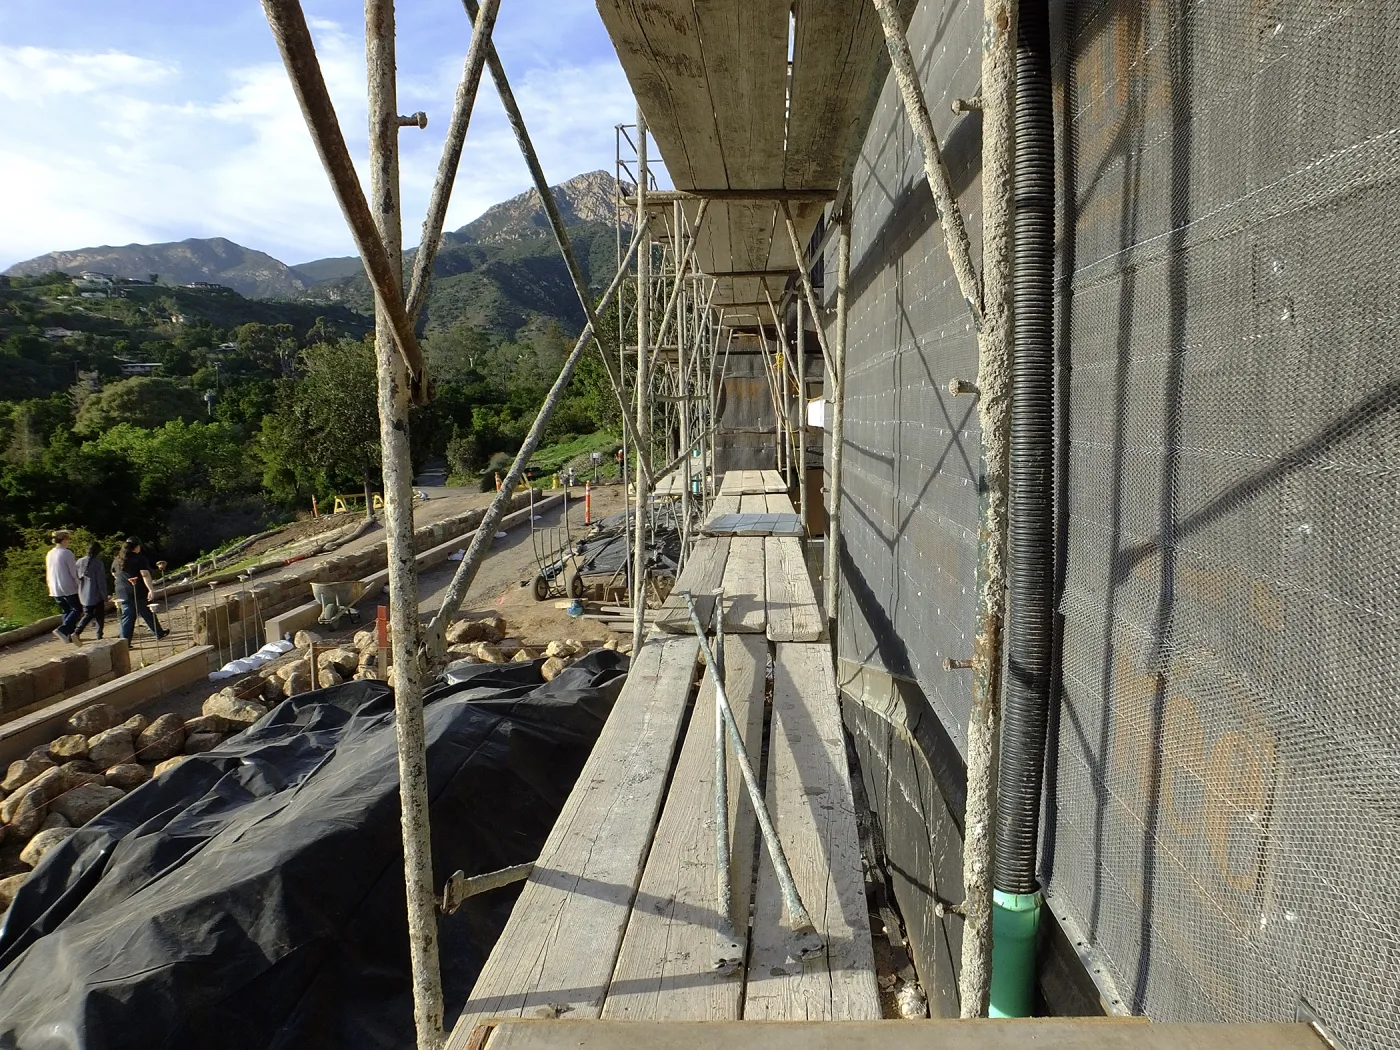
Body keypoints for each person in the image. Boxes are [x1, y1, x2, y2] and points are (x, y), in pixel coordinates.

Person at [113, 536, 169, 641]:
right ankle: (159, 633)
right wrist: (150, 589)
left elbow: (113, 573)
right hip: (137, 590)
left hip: (121, 591)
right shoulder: (139, 558)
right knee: (146, 611)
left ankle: (124, 642)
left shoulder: (117, 559)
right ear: (136, 547)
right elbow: (145, 574)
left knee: (127, 616)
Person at [45, 529, 81, 643]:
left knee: (66, 610)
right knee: (77, 609)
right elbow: (73, 571)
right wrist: (78, 584)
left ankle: (68, 635)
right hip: (67, 586)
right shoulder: (67, 553)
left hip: (54, 586)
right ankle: (63, 630)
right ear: (64, 539)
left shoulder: (50, 553)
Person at [73, 541, 109, 642]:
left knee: (88, 613)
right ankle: (98, 634)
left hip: (83, 594)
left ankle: (77, 632)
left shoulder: (79, 562)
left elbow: (75, 577)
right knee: (99, 615)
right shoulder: (98, 564)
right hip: (96, 594)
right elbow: (101, 582)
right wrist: (105, 595)